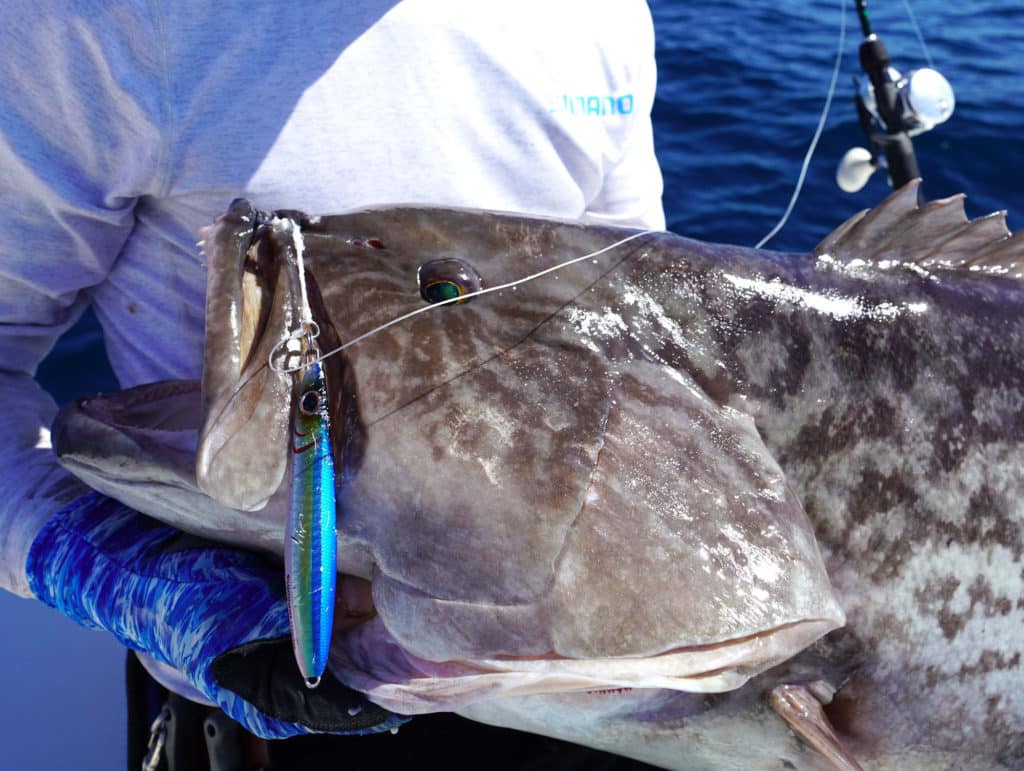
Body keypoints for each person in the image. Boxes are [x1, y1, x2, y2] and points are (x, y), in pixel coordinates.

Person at [0, 0, 665, 767]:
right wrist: (117, 568)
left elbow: (630, 350)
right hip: (263, 693)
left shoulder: (602, 15)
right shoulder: (98, 22)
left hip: (572, 699)